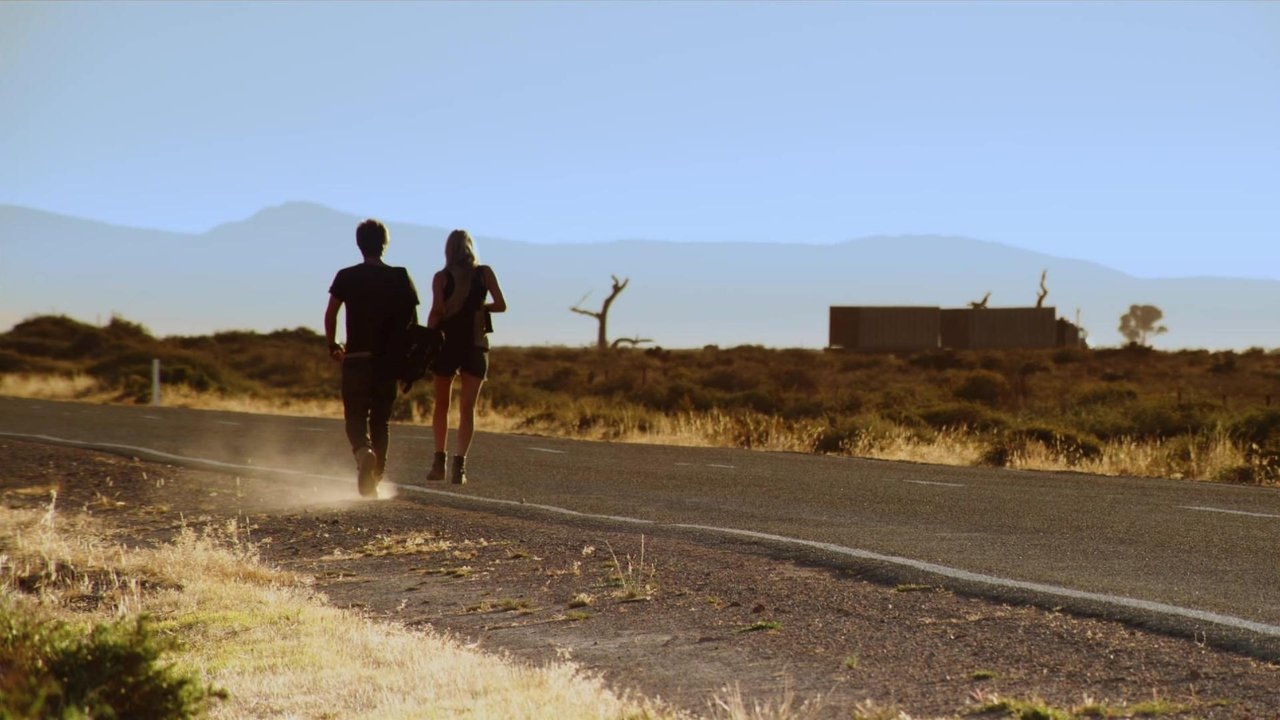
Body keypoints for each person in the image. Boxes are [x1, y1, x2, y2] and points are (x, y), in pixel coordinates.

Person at [324, 219, 419, 497]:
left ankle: (363, 452)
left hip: (356, 357)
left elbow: (331, 314)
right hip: (387, 361)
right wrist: (408, 361)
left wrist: (333, 345)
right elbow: (413, 323)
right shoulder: (400, 276)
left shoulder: (346, 276)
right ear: (385, 244)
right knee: (380, 421)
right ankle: (375, 480)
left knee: (355, 416)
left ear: (359, 244)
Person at [425, 229, 506, 484]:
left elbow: (437, 311)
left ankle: (439, 461)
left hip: (446, 344)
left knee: (441, 405)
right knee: (467, 408)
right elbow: (501, 305)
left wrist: (426, 340)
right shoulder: (484, 273)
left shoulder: (441, 278)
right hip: (475, 345)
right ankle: (459, 467)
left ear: (448, 250)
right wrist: (480, 308)